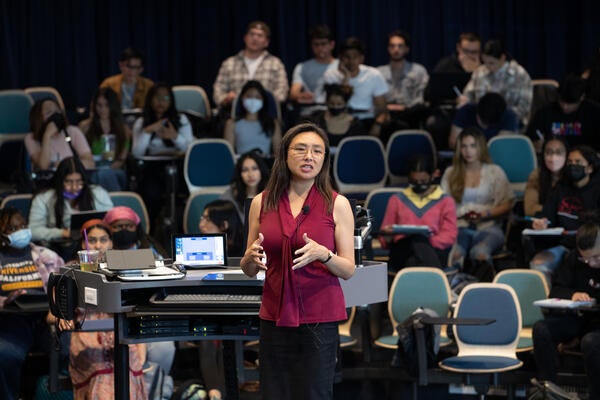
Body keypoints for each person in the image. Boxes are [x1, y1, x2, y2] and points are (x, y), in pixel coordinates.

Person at [240, 122, 355, 399]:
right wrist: (249, 258)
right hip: (274, 316)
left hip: (319, 317)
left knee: (313, 393)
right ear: (284, 155)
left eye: (317, 151)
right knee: (274, 392)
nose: (310, 157)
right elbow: (248, 268)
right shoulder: (261, 202)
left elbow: (349, 269)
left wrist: (324, 255)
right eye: (301, 149)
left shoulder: (337, 204)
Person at [68, 219, 147, 399]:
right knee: (103, 385)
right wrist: (65, 317)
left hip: (120, 329)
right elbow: (53, 314)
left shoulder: (124, 264)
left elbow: (136, 304)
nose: (98, 245)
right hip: (86, 334)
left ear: (111, 242)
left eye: (103, 240)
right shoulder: (70, 270)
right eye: (93, 240)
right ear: (83, 243)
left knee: (127, 375)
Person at [0, 207, 65, 400]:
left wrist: (57, 307)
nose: (21, 231)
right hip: (10, 321)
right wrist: (6, 301)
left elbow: (66, 287)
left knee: (71, 350)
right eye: (13, 228)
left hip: (48, 318)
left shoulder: (47, 255)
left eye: (23, 226)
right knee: (4, 355)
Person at [532, 218, 600, 399]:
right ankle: (548, 389)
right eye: (586, 259)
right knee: (542, 329)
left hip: (596, 325)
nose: (591, 264)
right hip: (577, 319)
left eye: (596, 257)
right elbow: (555, 290)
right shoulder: (572, 259)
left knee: (590, 341)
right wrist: (573, 295)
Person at [441, 127, 513, 280]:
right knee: (456, 254)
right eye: (464, 146)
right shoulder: (450, 173)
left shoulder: (495, 171)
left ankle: (485, 292)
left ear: (480, 148)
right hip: (459, 226)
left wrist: (485, 214)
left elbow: (507, 204)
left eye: (473, 146)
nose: (468, 151)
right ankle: (454, 292)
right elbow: (443, 207)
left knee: (480, 252)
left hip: (489, 226)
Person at [529, 146, 600, 282]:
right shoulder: (560, 188)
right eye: (570, 162)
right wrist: (541, 222)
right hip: (563, 245)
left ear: (590, 168)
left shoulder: (597, 190)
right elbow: (547, 215)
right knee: (538, 265)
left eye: (578, 162)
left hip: (592, 248)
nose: (573, 166)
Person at [379, 155, 457, 270]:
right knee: (415, 242)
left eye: (423, 181)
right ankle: (436, 280)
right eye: (414, 181)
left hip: (434, 250)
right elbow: (385, 237)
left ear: (433, 175)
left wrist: (425, 241)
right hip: (402, 250)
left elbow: (449, 235)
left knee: (416, 253)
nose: (419, 185)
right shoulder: (397, 199)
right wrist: (387, 235)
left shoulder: (445, 201)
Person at [131, 82, 193, 223]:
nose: (161, 102)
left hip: (178, 165)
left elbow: (190, 149)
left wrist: (174, 136)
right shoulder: (141, 122)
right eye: (157, 98)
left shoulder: (181, 120)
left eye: (166, 98)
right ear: (150, 100)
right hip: (152, 167)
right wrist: (147, 132)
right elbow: (137, 152)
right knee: (151, 194)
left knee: (180, 195)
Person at [29, 157, 113, 243]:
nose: (74, 187)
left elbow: (111, 222)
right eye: (68, 181)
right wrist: (62, 233)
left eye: (78, 181)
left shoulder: (98, 193)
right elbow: (33, 231)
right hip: (57, 246)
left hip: (95, 244)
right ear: (59, 181)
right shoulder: (43, 198)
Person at [317, 37, 389, 137]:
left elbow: (382, 110)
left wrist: (377, 125)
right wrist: (346, 79)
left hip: (365, 120)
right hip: (338, 120)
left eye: (355, 57)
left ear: (362, 58)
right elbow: (336, 101)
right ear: (340, 58)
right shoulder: (331, 75)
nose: (351, 61)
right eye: (347, 57)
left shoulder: (374, 75)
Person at [213, 21, 289, 110]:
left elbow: (282, 93)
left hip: (265, 115)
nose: (255, 38)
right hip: (234, 114)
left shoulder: (276, 64)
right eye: (252, 34)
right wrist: (226, 98)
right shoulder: (229, 63)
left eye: (260, 35)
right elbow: (218, 91)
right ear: (245, 38)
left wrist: (263, 100)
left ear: (266, 42)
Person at [458, 39, 533, 126]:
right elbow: (468, 96)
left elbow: (524, 108)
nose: (488, 67)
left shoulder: (520, 75)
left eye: (491, 63)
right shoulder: (480, 72)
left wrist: (500, 117)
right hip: (481, 122)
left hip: (509, 122)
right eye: (485, 62)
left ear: (502, 58)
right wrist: (464, 100)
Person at [526, 74, 600, 152]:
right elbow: (531, 137)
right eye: (562, 101)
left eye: (570, 103)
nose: (565, 107)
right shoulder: (545, 112)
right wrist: (535, 144)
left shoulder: (594, 112)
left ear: (582, 97)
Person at [79, 87, 131, 191]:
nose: (102, 110)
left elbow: (121, 160)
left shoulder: (124, 129)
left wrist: (107, 168)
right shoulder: (84, 127)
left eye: (107, 105)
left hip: (115, 169)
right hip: (92, 169)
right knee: (97, 176)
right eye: (99, 105)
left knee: (104, 175)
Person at [377, 30, 429, 129]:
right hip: (387, 114)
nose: (396, 50)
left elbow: (422, 96)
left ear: (406, 49)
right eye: (392, 46)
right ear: (388, 49)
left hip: (410, 114)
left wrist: (406, 108)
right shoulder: (379, 73)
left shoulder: (418, 70)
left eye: (400, 46)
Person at [25, 98, 95, 171]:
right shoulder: (31, 138)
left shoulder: (72, 131)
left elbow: (90, 163)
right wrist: (47, 135)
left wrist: (65, 165)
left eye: (57, 111)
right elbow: (43, 166)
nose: (55, 115)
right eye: (49, 112)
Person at [224, 80, 282, 156]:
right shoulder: (231, 124)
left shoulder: (273, 123)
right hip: (241, 165)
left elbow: (279, 155)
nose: (253, 100)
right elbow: (228, 155)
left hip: (265, 165)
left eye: (257, 97)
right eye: (249, 96)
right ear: (242, 98)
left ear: (263, 100)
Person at [289, 24, 338, 109]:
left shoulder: (341, 66)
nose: (320, 48)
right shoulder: (302, 67)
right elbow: (293, 93)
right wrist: (302, 96)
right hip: (310, 113)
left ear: (332, 45)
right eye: (316, 44)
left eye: (323, 44)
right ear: (311, 46)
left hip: (336, 112)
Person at [448, 92, 519, 148]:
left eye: (489, 124)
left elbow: (501, 147)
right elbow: (453, 143)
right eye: (482, 122)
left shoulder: (509, 116)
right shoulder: (465, 111)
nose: (485, 127)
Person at [220, 151, 270, 222]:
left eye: (254, 168)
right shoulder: (229, 196)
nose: (250, 174)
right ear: (240, 174)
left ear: (261, 171)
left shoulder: (272, 195)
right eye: (245, 170)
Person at [524, 137, 568, 217]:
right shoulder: (536, 175)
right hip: (544, 222)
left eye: (559, 152)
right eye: (549, 152)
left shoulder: (574, 175)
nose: (553, 157)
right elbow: (529, 209)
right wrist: (560, 210)